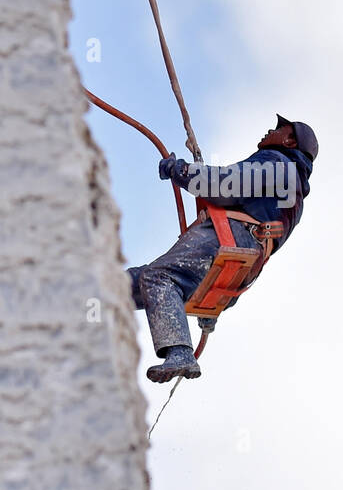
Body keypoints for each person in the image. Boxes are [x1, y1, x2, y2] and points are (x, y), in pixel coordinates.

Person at [127, 115, 317, 382]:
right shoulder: (293, 193)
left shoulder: (278, 162)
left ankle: (180, 352)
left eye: (278, 129)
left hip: (230, 241)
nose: (269, 130)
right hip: (239, 268)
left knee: (158, 277)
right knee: (137, 283)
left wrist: (179, 170)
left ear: (289, 140)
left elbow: (224, 185)